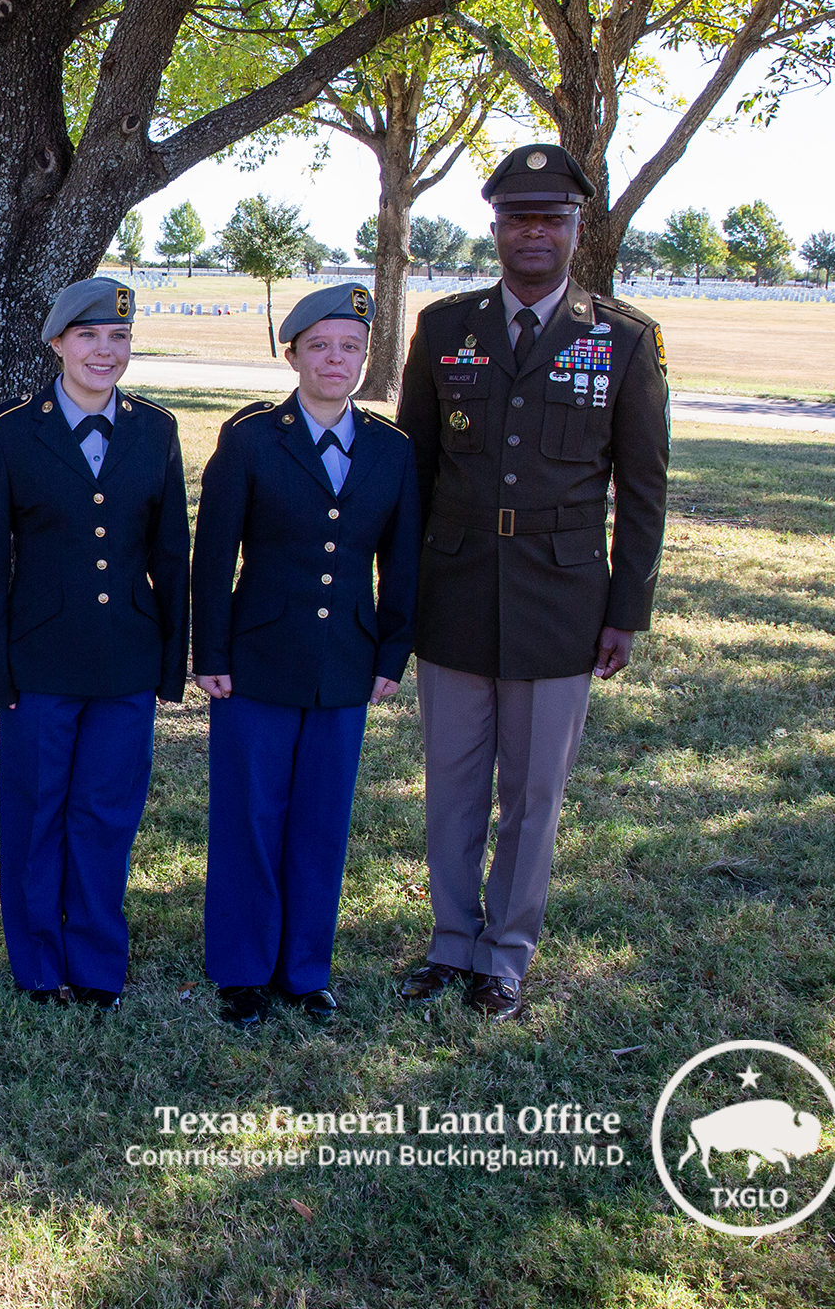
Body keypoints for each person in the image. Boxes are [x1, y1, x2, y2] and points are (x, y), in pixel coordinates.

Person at [394, 143, 670, 1022]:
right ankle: (450, 941)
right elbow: (413, 474)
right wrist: (397, 595)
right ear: (497, 230)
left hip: (562, 598)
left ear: (577, 230)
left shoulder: (623, 339)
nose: (535, 233)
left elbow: (645, 486)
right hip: (455, 589)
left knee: (534, 793)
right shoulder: (445, 329)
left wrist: (627, 610)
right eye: (520, 218)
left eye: (552, 218)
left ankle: (506, 955)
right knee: (454, 781)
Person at [192, 284, 421, 1027]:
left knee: (322, 820)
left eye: (349, 346)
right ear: (292, 353)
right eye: (319, 345)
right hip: (256, 659)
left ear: (365, 357)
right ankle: (242, 970)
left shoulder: (392, 450)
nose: (335, 359)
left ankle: (305, 970)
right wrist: (211, 650)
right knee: (250, 817)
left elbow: (404, 562)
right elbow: (214, 552)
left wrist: (391, 652)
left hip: (344, 662)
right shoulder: (254, 438)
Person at [0, 277, 189, 1011]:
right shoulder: (6, 434)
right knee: (37, 813)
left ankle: (96, 964)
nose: (105, 350)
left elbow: (171, 556)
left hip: (126, 656)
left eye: (118, 337)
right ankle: (37, 964)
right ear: (57, 342)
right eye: (88, 335)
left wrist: (172, 660)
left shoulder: (156, 431)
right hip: (40, 660)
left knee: (106, 813)